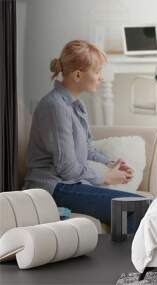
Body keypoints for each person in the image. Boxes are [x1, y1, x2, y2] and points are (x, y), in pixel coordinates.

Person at [24, 40, 142, 230]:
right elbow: (67, 169)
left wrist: (110, 164)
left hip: (68, 184)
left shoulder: (76, 105)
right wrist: (106, 176)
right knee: (135, 207)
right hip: (53, 188)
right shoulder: (56, 107)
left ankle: (122, 257)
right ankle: (123, 259)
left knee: (139, 205)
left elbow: (86, 148)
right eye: (97, 72)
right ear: (78, 75)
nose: (100, 78)